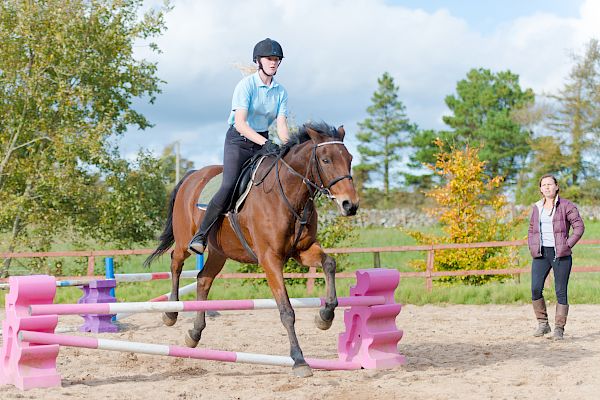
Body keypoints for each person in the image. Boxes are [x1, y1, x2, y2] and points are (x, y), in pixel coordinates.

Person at [188, 38, 290, 255]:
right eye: (269, 59)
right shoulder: (246, 86)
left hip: (263, 141)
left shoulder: (281, 92)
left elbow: (281, 124)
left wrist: (288, 147)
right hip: (239, 140)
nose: (273, 63)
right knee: (229, 185)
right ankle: (201, 235)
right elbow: (241, 124)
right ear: (259, 61)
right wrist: (266, 143)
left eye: (276, 60)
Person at [527, 174, 584, 340]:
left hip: (561, 254)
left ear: (556, 186)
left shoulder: (567, 205)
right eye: (543, 185)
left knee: (561, 291)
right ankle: (543, 324)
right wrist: (532, 246)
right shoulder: (537, 207)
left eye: (550, 184)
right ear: (540, 189)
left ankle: (559, 328)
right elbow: (531, 230)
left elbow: (579, 227)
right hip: (541, 253)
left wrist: (567, 245)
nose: (547, 187)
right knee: (535, 288)